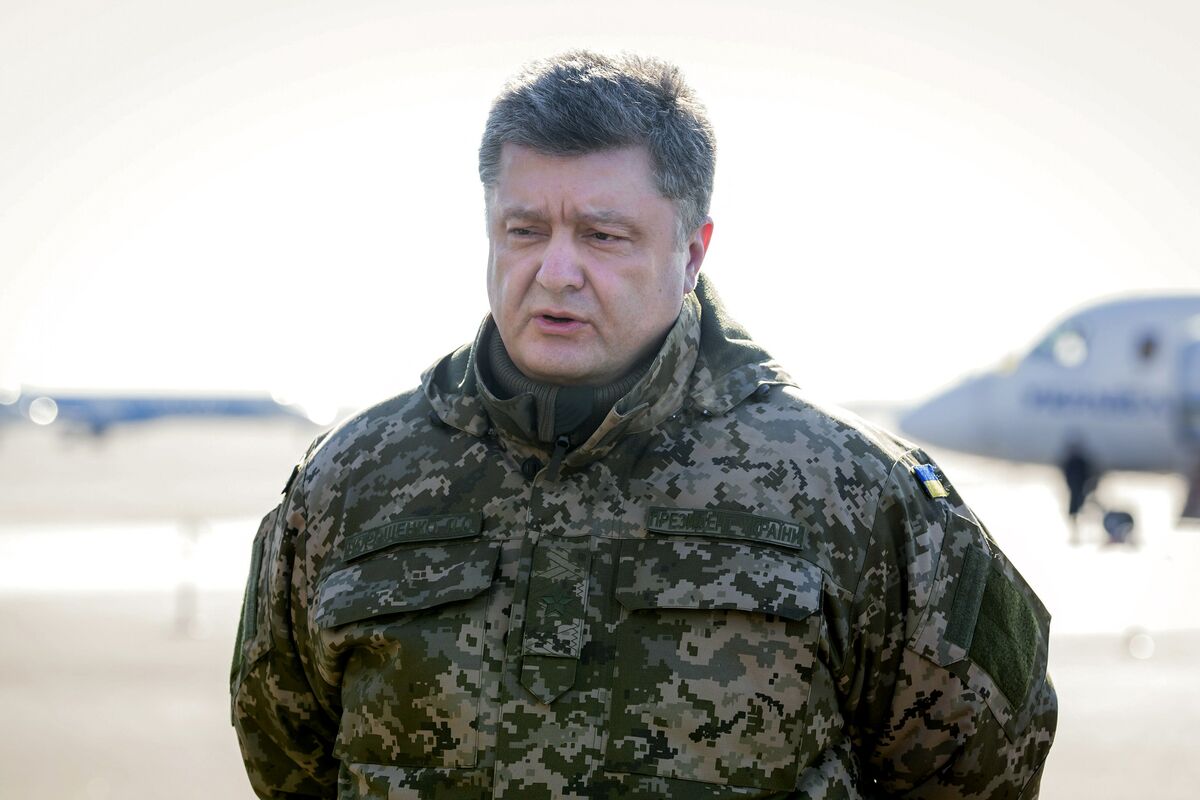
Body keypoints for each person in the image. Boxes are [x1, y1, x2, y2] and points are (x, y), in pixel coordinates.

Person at [231, 50, 1057, 799]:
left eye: (603, 236)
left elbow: (981, 772)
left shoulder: (852, 490)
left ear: (692, 252)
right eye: (524, 231)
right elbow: (286, 758)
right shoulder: (350, 481)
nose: (556, 271)